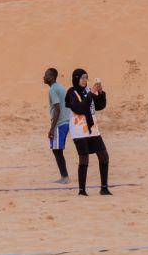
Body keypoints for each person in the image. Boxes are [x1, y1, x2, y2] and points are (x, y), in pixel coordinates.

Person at [64, 68, 110, 196]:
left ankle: (104, 188)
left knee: (104, 156)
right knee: (84, 159)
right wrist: (91, 94)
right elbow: (79, 108)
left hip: (92, 129)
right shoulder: (71, 92)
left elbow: (100, 105)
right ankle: (82, 190)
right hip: (79, 130)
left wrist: (100, 93)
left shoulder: (88, 91)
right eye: (82, 78)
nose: (85, 80)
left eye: (86, 78)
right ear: (76, 79)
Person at [43, 68, 71, 183]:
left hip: (60, 124)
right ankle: (64, 176)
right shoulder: (59, 87)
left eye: (46, 75)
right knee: (57, 150)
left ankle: (65, 177)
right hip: (65, 122)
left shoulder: (53, 89)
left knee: (57, 150)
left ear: (52, 77)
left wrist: (52, 128)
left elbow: (57, 109)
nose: (44, 77)